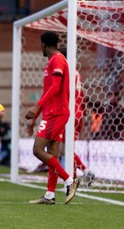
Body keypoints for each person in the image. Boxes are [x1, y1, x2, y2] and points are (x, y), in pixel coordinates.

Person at [25, 31, 79, 205]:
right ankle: (50, 195)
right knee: (52, 154)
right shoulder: (52, 61)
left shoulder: (58, 59)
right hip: (51, 113)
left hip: (57, 113)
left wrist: (36, 106)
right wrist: (36, 117)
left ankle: (70, 181)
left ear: (43, 44)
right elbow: (49, 90)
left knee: (37, 150)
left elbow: (56, 88)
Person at [59, 49, 94, 182]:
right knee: (68, 148)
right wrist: (84, 110)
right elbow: (82, 94)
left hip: (69, 113)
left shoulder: (65, 71)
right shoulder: (77, 73)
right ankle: (74, 177)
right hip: (79, 113)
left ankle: (84, 171)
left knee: (64, 149)